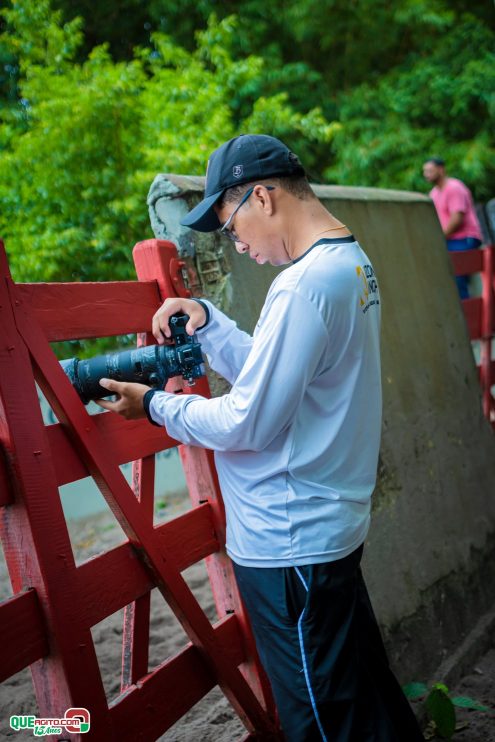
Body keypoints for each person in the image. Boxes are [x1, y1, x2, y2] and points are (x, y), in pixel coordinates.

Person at [97, 134, 424, 741]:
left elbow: (247, 420)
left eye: (230, 224)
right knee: (367, 703)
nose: (236, 243)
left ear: (263, 197)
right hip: (326, 531)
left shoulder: (303, 286)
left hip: (291, 544)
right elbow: (281, 378)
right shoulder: (347, 262)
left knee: (321, 721)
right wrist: (212, 322)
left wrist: (155, 406)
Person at [423, 157, 483, 299]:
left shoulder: (454, 188)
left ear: (441, 170)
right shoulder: (434, 193)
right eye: (425, 171)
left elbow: (457, 219)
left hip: (465, 238)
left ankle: (466, 312)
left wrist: (439, 237)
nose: (427, 174)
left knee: (456, 275)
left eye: (430, 170)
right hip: (449, 240)